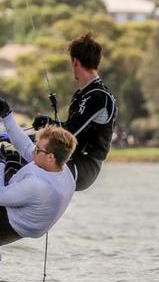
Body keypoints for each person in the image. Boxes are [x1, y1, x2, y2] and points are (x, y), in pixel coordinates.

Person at [0, 95, 77, 245]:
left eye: (38, 149)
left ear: (50, 157)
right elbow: (25, 146)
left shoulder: (39, 185)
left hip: (2, 226)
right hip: (10, 209)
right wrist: (7, 114)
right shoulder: (60, 167)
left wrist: (0, 163)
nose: (33, 150)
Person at [33, 32, 117, 191]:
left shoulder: (99, 97)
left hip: (86, 165)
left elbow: (69, 132)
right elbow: (70, 127)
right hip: (70, 157)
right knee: (17, 159)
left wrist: (23, 137)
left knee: (27, 163)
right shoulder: (82, 94)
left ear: (75, 61)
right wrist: (48, 122)